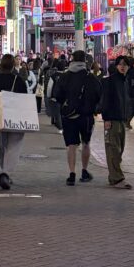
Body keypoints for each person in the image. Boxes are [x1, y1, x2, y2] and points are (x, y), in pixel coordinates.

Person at [53, 49, 102, 186]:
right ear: (85, 61)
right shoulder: (91, 77)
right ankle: (84, 171)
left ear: (72, 60)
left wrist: (65, 105)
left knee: (71, 145)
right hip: (86, 116)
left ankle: (71, 174)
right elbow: (99, 95)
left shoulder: (65, 76)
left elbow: (57, 95)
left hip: (69, 116)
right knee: (86, 143)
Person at [0, 54, 28, 190]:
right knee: (14, 145)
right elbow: (25, 99)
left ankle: (4, 170)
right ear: (13, 66)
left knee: (3, 145)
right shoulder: (19, 80)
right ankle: (5, 172)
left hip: (0, 117)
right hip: (16, 118)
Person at [100, 55, 132, 189]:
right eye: (120, 64)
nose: (123, 66)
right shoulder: (110, 81)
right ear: (116, 65)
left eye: (125, 64)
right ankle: (117, 178)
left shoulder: (125, 81)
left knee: (119, 149)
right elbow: (105, 101)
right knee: (112, 148)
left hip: (121, 119)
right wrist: (106, 118)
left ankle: (113, 176)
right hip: (112, 119)